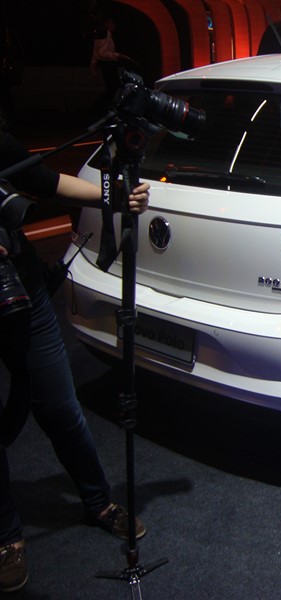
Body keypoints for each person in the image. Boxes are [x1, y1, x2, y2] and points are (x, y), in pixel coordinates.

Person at [0, 130, 150, 593]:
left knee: (62, 408)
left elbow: (46, 182)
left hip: (22, 289)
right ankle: (6, 539)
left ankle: (99, 502)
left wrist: (116, 196)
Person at [90, 17, 134, 109]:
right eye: (112, 24)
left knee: (113, 88)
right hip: (108, 65)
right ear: (107, 24)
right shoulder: (105, 34)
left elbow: (96, 52)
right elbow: (100, 53)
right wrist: (118, 55)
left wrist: (93, 68)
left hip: (107, 65)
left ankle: (105, 107)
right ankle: (102, 106)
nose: (114, 26)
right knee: (114, 88)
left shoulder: (103, 34)